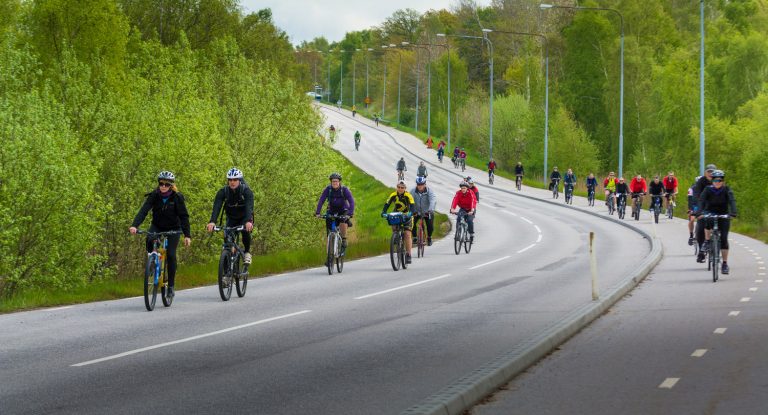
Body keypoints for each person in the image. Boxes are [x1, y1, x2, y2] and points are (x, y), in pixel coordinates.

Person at [130, 171, 192, 299]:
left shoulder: (177, 197)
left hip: (174, 228)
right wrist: (134, 225)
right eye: (161, 183)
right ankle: (152, 261)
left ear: (171, 185)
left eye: (166, 184)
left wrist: (187, 235)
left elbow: (184, 216)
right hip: (157, 225)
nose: (163, 186)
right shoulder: (154, 195)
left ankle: (171, 287)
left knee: (170, 254)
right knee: (149, 238)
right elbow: (144, 210)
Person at [206, 168, 254, 265]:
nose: (232, 182)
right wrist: (212, 221)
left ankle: (247, 252)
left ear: (239, 180)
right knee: (227, 242)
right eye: (230, 180)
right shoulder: (223, 192)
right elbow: (217, 207)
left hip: (244, 217)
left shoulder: (246, 191)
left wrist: (249, 221)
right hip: (231, 218)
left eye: (235, 180)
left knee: (245, 231)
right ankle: (227, 271)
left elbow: (249, 207)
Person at [697, 170, 737, 273]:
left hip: (723, 214)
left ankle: (724, 264)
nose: (717, 182)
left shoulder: (726, 189)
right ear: (712, 180)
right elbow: (701, 200)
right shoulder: (707, 189)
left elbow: (732, 201)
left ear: (722, 181)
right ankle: (706, 241)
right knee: (707, 220)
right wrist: (699, 212)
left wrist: (733, 212)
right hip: (710, 212)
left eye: (719, 180)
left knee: (724, 238)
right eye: (715, 180)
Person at [315, 172, 355, 254]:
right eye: (333, 181)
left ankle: (344, 240)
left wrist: (350, 213)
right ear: (331, 182)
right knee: (329, 228)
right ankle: (329, 255)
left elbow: (351, 202)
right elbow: (321, 200)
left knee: (342, 221)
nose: (335, 183)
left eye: (336, 181)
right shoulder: (328, 189)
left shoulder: (344, 190)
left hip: (343, 210)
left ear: (339, 182)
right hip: (331, 211)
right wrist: (318, 212)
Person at [382, 180, 416, 264]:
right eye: (398, 187)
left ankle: (408, 254)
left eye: (402, 188)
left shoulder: (408, 195)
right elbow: (387, 203)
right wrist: (383, 212)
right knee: (393, 225)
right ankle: (396, 237)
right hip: (397, 214)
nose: (400, 189)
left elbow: (412, 206)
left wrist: (410, 213)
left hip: (407, 215)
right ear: (396, 187)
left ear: (405, 188)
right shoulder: (393, 195)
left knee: (407, 234)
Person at [692, 164, 717, 250]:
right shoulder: (701, 182)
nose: (710, 173)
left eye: (712, 172)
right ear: (705, 173)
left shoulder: (719, 181)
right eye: (709, 171)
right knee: (700, 226)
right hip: (703, 206)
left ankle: (719, 243)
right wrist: (697, 209)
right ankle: (701, 249)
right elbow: (696, 195)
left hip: (716, 206)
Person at [410, 176, 437, 246]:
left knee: (430, 225)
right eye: (418, 184)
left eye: (421, 184)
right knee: (411, 223)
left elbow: (433, 200)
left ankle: (429, 237)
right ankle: (415, 237)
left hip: (427, 212)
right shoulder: (413, 191)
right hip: (416, 211)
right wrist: (411, 210)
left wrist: (430, 210)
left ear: (425, 184)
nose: (420, 186)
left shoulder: (429, 191)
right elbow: (409, 200)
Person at [686, 176, 702, 245]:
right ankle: (691, 235)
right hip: (694, 206)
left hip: (702, 206)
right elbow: (689, 200)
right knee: (692, 219)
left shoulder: (705, 188)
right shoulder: (691, 189)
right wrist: (690, 209)